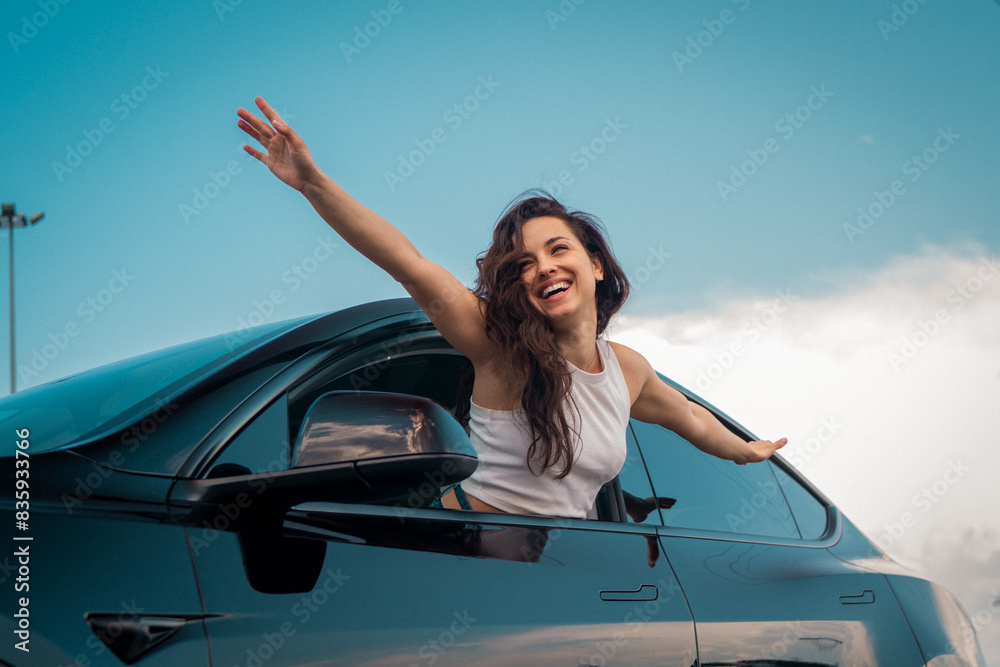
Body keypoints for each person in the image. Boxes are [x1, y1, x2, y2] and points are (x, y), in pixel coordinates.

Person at [237, 96, 787, 520]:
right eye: (524, 263)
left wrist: (745, 451)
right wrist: (313, 184)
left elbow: (691, 418)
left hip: (558, 566)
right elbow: (409, 263)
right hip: (464, 552)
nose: (544, 267)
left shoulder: (628, 370)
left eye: (558, 249)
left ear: (596, 264)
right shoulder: (499, 348)